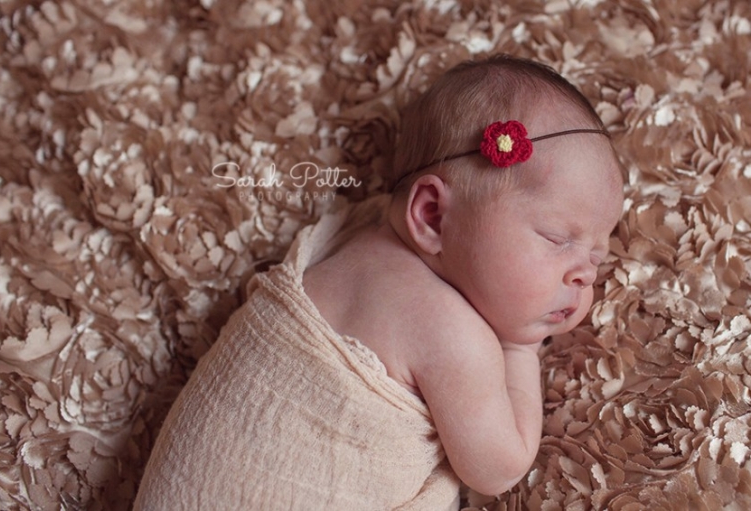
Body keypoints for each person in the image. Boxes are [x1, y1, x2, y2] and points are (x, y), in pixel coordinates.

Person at [134, 54, 624, 510]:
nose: (583, 274)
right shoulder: (452, 335)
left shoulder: (348, 242)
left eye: (597, 259)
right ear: (432, 215)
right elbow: (499, 468)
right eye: (557, 237)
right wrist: (521, 348)